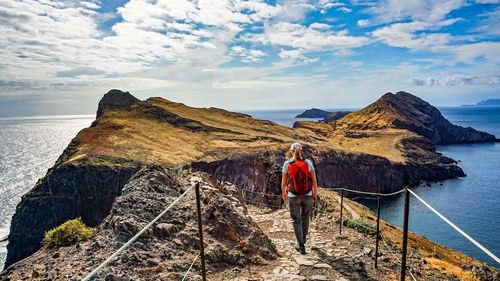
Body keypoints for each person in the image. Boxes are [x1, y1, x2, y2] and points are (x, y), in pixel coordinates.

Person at [281, 142, 318, 255]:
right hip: (307, 195)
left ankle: (300, 245)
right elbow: (314, 181)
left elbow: (284, 182)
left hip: (293, 196)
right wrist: (314, 193)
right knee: (305, 217)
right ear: (301, 151)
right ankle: (303, 239)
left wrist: (284, 193)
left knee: (296, 220)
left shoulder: (287, 164)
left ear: (291, 151)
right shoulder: (308, 163)